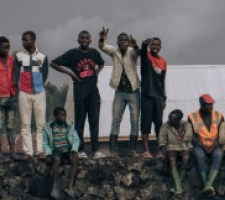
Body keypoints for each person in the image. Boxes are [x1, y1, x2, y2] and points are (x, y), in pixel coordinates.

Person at [51, 30, 106, 158]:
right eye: (82, 38)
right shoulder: (72, 54)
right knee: (79, 123)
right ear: (78, 40)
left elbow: (102, 62)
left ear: (90, 40)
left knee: (94, 122)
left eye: (87, 38)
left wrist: (97, 73)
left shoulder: (94, 53)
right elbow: (53, 63)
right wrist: (70, 73)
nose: (85, 40)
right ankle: (80, 150)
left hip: (93, 92)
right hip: (80, 92)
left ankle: (96, 150)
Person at [99, 28, 141, 156]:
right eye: (120, 40)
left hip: (133, 90)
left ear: (128, 42)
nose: (123, 42)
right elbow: (102, 47)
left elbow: (139, 52)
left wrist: (136, 45)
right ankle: (113, 150)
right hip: (119, 91)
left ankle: (132, 149)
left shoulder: (131, 52)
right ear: (117, 42)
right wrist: (102, 39)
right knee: (116, 120)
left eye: (125, 40)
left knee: (134, 119)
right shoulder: (114, 52)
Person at [14, 30, 49, 160]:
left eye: (26, 40)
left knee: (41, 124)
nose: (24, 42)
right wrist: (20, 87)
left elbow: (45, 74)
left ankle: (40, 150)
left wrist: (38, 85)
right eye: (22, 40)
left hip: (39, 92)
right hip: (23, 92)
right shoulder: (18, 56)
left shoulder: (42, 56)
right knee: (25, 124)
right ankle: (28, 151)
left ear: (33, 40)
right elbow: (16, 74)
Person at [189, 94, 224, 196]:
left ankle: (208, 184)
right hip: (200, 146)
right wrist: (202, 146)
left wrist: (215, 144)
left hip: (214, 145)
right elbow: (191, 137)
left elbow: (222, 133)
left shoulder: (219, 116)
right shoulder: (192, 117)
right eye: (207, 105)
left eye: (211, 104)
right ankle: (207, 184)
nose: (210, 107)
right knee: (199, 156)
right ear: (201, 104)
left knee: (218, 154)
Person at [43, 107, 81, 199]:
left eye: (65, 115)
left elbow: (76, 139)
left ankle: (70, 186)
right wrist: (48, 153)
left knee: (75, 159)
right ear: (56, 116)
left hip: (67, 149)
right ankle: (54, 186)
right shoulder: (50, 126)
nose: (64, 117)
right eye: (62, 115)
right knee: (56, 160)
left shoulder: (69, 125)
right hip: (56, 149)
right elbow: (46, 142)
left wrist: (74, 150)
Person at [139, 37, 167, 158]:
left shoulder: (163, 62)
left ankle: (160, 151)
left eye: (157, 45)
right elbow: (143, 54)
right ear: (150, 46)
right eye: (153, 45)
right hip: (147, 95)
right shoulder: (147, 57)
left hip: (158, 97)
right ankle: (146, 150)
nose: (155, 47)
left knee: (159, 124)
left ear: (160, 47)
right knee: (146, 123)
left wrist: (164, 97)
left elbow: (162, 81)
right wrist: (144, 45)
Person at [158, 110, 193, 195]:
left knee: (185, 159)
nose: (169, 120)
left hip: (184, 148)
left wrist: (188, 149)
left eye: (172, 119)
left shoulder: (187, 126)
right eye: (169, 118)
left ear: (179, 120)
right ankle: (178, 187)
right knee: (172, 160)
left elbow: (189, 140)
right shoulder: (165, 126)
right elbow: (162, 141)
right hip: (171, 147)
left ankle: (177, 185)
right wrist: (164, 152)